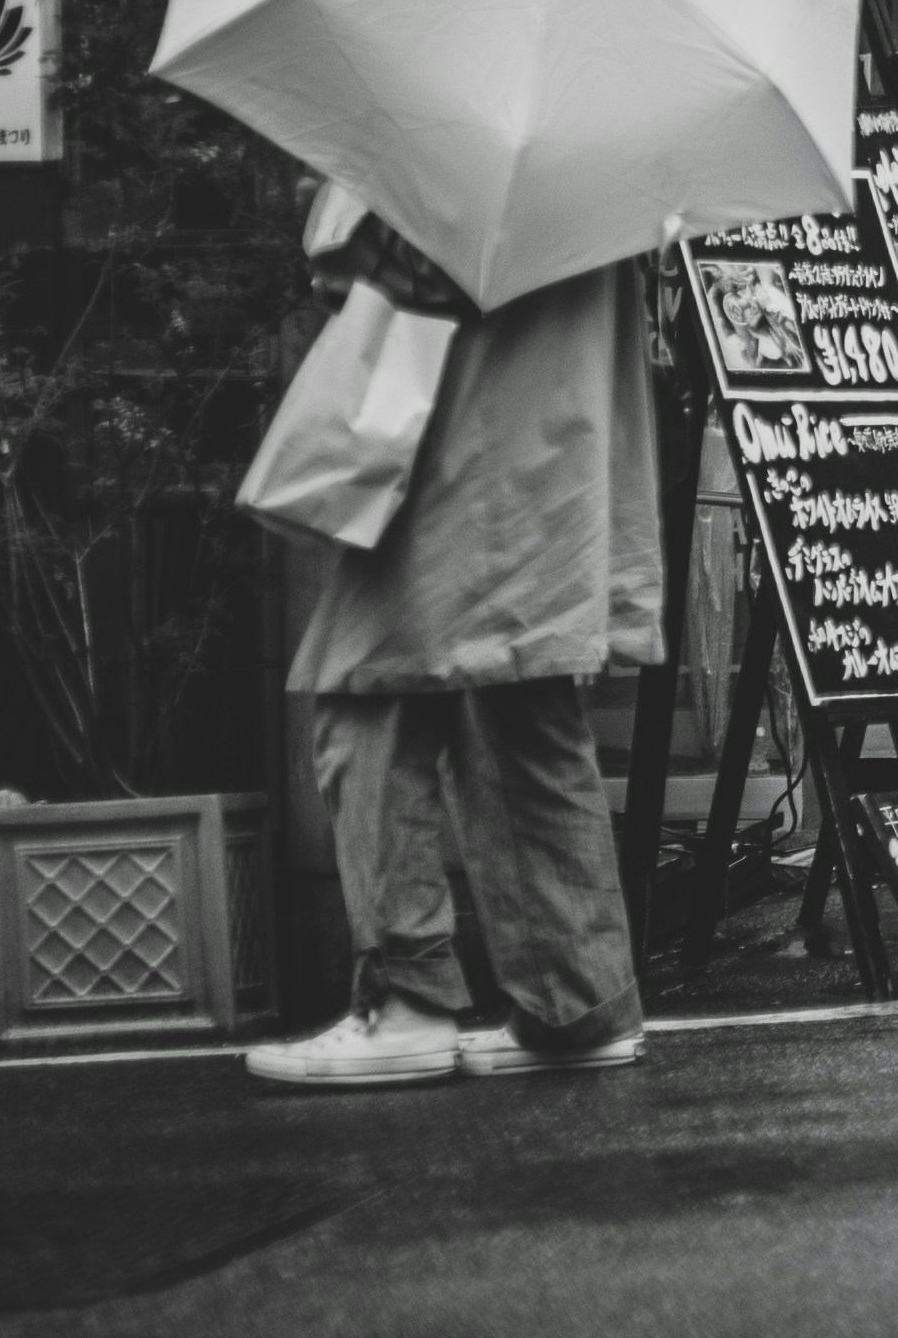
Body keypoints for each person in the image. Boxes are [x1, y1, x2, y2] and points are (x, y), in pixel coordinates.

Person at [243, 199, 664, 1085]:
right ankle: (574, 999)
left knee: (365, 692)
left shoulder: (465, 136)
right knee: (522, 710)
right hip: (558, 453)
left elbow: (405, 266)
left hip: (463, 452)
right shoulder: (602, 146)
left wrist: (338, 211)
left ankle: (407, 1003)